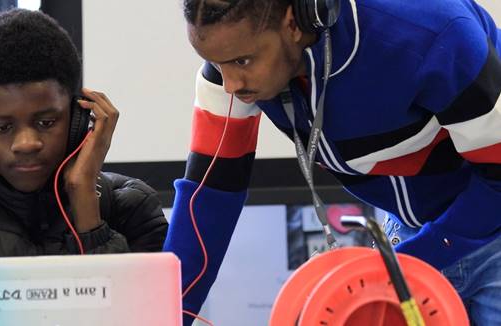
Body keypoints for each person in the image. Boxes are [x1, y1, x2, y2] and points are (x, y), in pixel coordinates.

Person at [163, 0, 501, 324]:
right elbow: (206, 199)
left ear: (294, 22)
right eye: (215, 62)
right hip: (412, 227)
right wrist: (165, 315)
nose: (230, 84)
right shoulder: (228, 71)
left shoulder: (432, 33)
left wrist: (411, 262)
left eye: (243, 62)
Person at [0, 9, 167, 267]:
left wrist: (86, 207)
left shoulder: (133, 208)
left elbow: (131, 307)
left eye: (46, 122)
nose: (27, 143)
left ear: (78, 119)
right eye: (3, 127)